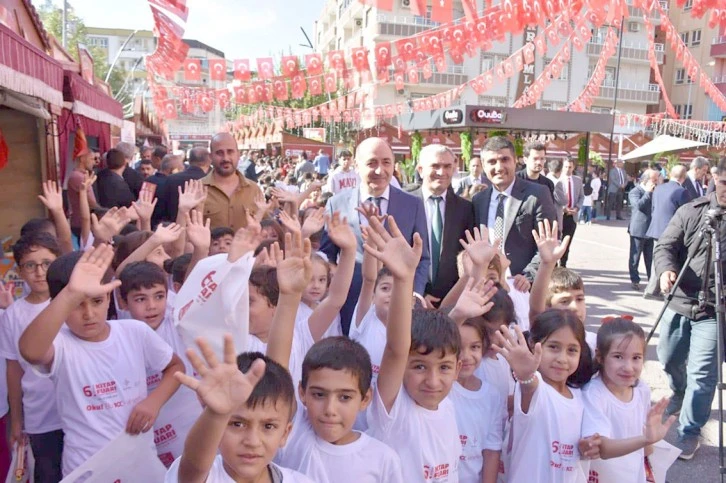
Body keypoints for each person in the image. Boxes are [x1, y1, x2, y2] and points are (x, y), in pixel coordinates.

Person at [18, 246, 185, 477]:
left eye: (96, 301)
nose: (89, 314)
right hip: (88, 467)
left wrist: (154, 401)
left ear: (109, 297)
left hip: (140, 462)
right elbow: (30, 351)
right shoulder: (59, 344)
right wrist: (70, 294)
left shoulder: (135, 332)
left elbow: (175, 366)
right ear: (58, 304)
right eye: (77, 304)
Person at [362, 216, 462, 482]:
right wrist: (404, 279)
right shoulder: (393, 408)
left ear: (458, 369)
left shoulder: (448, 408)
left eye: (444, 368)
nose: (433, 380)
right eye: (419, 366)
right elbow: (397, 348)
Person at [653, 158, 726, 459]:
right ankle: (678, 390)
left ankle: (689, 432)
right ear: (714, 179)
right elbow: (665, 246)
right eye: (724, 183)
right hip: (680, 300)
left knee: (703, 373)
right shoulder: (692, 210)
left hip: (714, 310)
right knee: (668, 359)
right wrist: (665, 270)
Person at [320, 137, 430, 335]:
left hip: (397, 304)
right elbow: (327, 255)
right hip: (349, 303)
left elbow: (422, 258)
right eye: (372, 163)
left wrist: (413, 294)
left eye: (386, 162)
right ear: (356, 165)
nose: (380, 170)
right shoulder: (337, 203)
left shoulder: (412, 204)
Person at [165, 339, 314, 482]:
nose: (252, 442)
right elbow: (193, 467)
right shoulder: (206, 475)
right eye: (237, 424)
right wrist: (216, 414)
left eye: (268, 426)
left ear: (285, 433)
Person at [118, 262, 202, 466]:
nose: (151, 306)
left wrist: (200, 250)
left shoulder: (178, 323)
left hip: (194, 424)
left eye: (159, 296)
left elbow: (194, 288)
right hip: (149, 436)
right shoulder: (120, 336)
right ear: (123, 303)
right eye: (140, 299)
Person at [0, 233, 63, 483]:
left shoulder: (70, 303)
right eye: (30, 265)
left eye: (47, 263)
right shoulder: (13, 315)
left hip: (77, 411)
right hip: (40, 416)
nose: (39, 272)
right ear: (20, 271)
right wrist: (16, 420)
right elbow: (13, 369)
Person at [582, 318, 676, 482]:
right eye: (618, 356)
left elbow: (647, 450)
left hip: (634, 474)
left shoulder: (642, 390)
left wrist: (649, 439)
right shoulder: (594, 393)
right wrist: (646, 439)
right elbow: (602, 448)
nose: (628, 367)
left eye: (636, 357)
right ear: (600, 356)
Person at [471, 136, 557, 282]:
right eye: (492, 162)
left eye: (505, 160)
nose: (499, 168)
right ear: (483, 166)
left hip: (522, 283)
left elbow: (548, 244)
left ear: (515, 161)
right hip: (486, 283)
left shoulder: (538, 194)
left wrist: (527, 276)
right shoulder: (478, 200)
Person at [409, 144, 474, 307]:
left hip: (452, 301)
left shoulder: (465, 208)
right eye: (435, 166)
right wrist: (418, 292)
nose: (441, 172)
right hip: (411, 297)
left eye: (447, 166)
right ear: (420, 169)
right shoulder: (405, 204)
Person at [643, 165, 691, 298]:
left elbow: (653, 208)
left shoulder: (659, 188)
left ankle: (651, 289)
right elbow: (686, 213)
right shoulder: (681, 191)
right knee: (668, 259)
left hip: (656, 228)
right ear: (684, 177)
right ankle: (656, 289)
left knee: (657, 258)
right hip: (671, 230)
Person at [202, 133, 263, 231]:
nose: (225, 158)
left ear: (238, 155)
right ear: (211, 157)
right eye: (219, 153)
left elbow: (265, 227)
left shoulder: (254, 189)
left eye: (230, 152)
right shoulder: (197, 189)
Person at [158, 147, 211, 222]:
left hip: (172, 226)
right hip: (200, 226)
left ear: (189, 160)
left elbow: (163, 208)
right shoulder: (208, 182)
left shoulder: (171, 179)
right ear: (209, 161)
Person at [627, 169, 658, 291]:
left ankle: (651, 281)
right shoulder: (635, 191)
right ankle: (635, 280)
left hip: (651, 229)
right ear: (646, 180)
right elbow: (638, 206)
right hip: (638, 230)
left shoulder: (655, 191)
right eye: (654, 180)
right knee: (635, 257)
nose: (656, 183)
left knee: (650, 258)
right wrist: (648, 193)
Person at [559, 158, 584, 268]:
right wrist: (563, 208)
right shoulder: (558, 180)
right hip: (560, 216)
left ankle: (563, 265)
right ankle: (554, 266)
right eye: (565, 167)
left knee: (567, 241)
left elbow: (581, 196)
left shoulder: (578, 180)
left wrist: (577, 208)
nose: (567, 169)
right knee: (557, 241)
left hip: (572, 216)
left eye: (570, 167)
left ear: (573, 167)